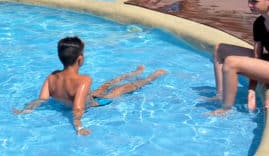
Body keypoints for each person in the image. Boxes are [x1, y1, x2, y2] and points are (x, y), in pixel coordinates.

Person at [13, 36, 167, 135]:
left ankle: (135, 72)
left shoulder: (51, 77)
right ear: (80, 60)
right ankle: (152, 75)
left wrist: (26, 110)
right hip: (94, 104)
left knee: (106, 85)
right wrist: (79, 127)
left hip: (90, 97)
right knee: (124, 88)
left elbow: (41, 100)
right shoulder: (83, 80)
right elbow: (78, 107)